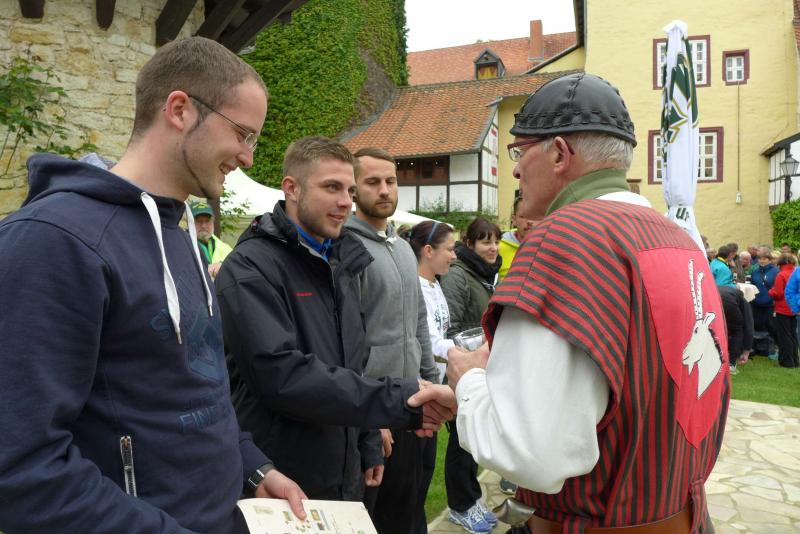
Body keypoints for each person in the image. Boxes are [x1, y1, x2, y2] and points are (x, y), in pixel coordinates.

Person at [0, 37, 308, 533]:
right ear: (180, 109)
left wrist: (252, 468)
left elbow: (194, 385)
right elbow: (21, 467)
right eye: (243, 134)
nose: (248, 157)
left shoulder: (179, 235)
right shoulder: (53, 241)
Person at [439, 72, 729, 533]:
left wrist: (468, 381)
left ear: (559, 153)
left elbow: (531, 453)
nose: (515, 171)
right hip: (684, 516)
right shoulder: (680, 242)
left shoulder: (566, 238)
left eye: (519, 151)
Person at [215, 136, 456, 503]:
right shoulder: (250, 267)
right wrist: (395, 402)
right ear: (292, 188)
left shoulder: (341, 260)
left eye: (349, 190)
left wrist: (367, 438)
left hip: (342, 468)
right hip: (280, 475)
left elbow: (352, 363)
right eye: (331, 188)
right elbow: (282, 376)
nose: (346, 201)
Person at [344, 146, 439, 534]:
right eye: (373, 182)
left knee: (410, 509)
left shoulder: (402, 249)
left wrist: (432, 381)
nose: (384, 190)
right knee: (373, 518)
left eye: (390, 181)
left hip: (411, 401)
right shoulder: (346, 248)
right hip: (372, 410)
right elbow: (346, 341)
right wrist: (367, 417)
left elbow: (418, 321)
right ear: (354, 189)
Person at [440, 217, 502, 534]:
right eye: (485, 241)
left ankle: (471, 497)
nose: (493, 248)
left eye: (495, 241)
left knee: (474, 436)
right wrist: (474, 347)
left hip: (481, 368)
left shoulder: (487, 275)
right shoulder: (459, 275)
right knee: (460, 440)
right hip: (461, 368)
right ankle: (460, 506)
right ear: (469, 244)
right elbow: (448, 326)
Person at [769, 253, 799, 368]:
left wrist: (770, 291)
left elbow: (778, 293)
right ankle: (795, 361)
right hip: (794, 308)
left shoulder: (781, 274)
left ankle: (786, 362)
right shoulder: (796, 273)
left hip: (783, 308)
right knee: (793, 335)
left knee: (784, 336)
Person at [498, 195, 538, 281]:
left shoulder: (548, 247)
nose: (529, 221)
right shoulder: (497, 248)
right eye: (523, 216)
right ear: (514, 219)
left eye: (534, 216)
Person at [190, 199, 233, 278]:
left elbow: (237, 268)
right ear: (189, 222)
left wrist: (223, 265)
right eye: (198, 221)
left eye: (207, 221)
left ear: (213, 221)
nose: (203, 226)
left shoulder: (224, 247)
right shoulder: (181, 244)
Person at [718, 285, 754, 374]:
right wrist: (746, 351)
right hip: (727, 301)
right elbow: (749, 326)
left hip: (712, 297)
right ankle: (731, 363)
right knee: (737, 330)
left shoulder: (727, 289)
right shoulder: (744, 302)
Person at [750, 247, 779, 358]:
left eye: (764, 259)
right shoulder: (755, 272)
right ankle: (759, 347)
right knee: (757, 324)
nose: (761, 261)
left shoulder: (775, 271)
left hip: (770, 304)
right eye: (760, 259)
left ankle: (772, 348)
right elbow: (753, 286)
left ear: (769, 260)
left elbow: (777, 288)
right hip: (757, 303)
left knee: (771, 326)